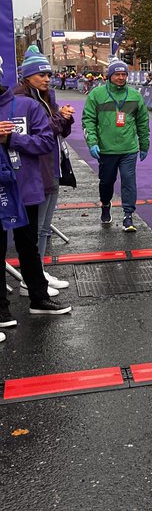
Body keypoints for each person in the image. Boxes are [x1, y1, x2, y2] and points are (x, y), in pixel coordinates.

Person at [0, 53, 71, 319]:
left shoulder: (27, 106)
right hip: (2, 189)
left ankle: (38, 297)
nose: (47, 79)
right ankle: (2, 311)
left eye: (49, 74)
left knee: (28, 245)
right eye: (42, 74)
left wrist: (12, 140)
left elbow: (45, 143)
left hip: (25, 187)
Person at [82, 59, 150, 232]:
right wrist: (92, 142)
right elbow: (88, 119)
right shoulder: (97, 94)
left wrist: (144, 144)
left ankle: (128, 216)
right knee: (106, 182)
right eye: (117, 74)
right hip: (106, 149)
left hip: (129, 149)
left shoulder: (135, 95)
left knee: (129, 181)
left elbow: (143, 122)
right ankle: (105, 204)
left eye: (124, 74)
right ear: (109, 76)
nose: (121, 78)